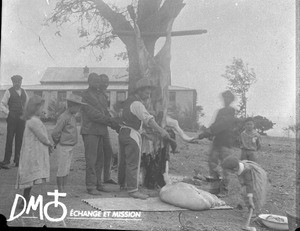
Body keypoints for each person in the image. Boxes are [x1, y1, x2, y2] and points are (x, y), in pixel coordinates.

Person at [118, 78, 171, 199]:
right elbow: (149, 120)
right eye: (146, 93)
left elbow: (131, 120)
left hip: (123, 132)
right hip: (131, 134)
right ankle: (133, 190)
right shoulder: (137, 104)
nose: (148, 95)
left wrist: (147, 135)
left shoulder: (128, 101)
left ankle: (123, 184)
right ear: (140, 91)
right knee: (133, 162)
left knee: (124, 161)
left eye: (149, 93)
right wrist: (161, 131)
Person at [81, 73, 119, 195]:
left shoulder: (102, 95)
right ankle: (91, 186)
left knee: (100, 159)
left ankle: (98, 183)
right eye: (94, 81)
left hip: (101, 130)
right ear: (89, 81)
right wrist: (109, 121)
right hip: (90, 130)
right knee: (91, 160)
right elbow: (93, 114)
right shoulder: (85, 95)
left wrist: (114, 123)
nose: (97, 83)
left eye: (98, 81)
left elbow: (104, 112)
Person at [16, 95, 54, 209]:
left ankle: (25, 200)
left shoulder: (33, 120)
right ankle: (24, 201)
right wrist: (50, 144)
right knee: (30, 175)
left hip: (33, 151)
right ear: (34, 108)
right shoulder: (33, 121)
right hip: (32, 153)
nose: (43, 110)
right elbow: (42, 136)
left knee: (31, 177)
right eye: (41, 108)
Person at [197, 90, 237, 197]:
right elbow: (215, 124)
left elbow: (221, 124)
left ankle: (224, 189)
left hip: (226, 142)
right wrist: (209, 133)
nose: (226, 100)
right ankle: (215, 187)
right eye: (224, 98)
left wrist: (208, 132)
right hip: (217, 141)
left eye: (228, 98)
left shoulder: (231, 111)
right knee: (212, 163)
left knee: (226, 167)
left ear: (231, 100)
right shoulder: (220, 111)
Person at [51, 94, 87, 194]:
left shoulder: (72, 116)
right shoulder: (64, 117)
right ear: (71, 106)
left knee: (66, 168)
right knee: (62, 168)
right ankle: (60, 189)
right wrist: (57, 141)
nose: (79, 109)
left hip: (70, 146)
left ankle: (64, 188)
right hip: (63, 146)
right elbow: (55, 132)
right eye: (77, 107)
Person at [0, 75, 28, 168]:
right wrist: (8, 113)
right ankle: (6, 160)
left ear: (21, 82)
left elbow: (27, 104)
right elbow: (2, 104)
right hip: (12, 117)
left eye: (19, 82)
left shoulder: (24, 92)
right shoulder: (9, 91)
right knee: (10, 138)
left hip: (21, 118)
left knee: (20, 139)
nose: (18, 83)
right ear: (12, 82)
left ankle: (17, 160)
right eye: (16, 82)